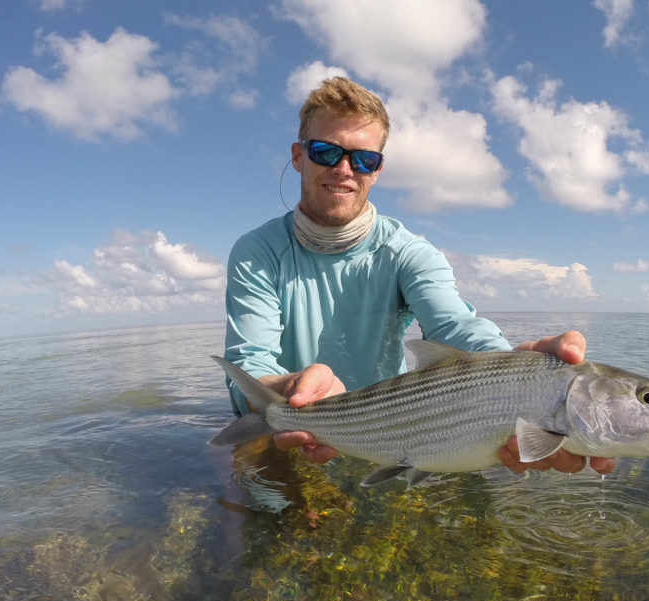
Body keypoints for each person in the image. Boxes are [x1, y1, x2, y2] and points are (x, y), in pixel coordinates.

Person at [223, 76, 614, 477]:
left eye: (363, 160)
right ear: (298, 156)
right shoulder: (258, 252)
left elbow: (454, 324)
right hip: (294, 434)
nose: (344, 170)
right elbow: (248, 361)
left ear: (377, 170)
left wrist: (510, 366)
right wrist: (289, 393)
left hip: (400, 436)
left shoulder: (408, 251)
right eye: (326, 152)